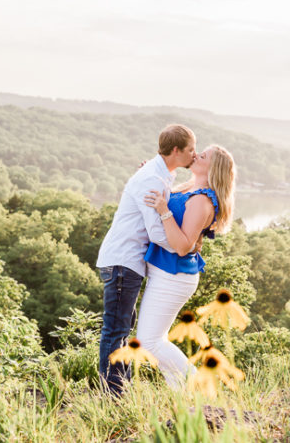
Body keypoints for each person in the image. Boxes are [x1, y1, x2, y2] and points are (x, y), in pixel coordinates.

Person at [96, 124, 196, 396]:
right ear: (176, 150)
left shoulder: (159, 175)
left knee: (123, 328)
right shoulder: (152, 178)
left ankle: (121, 390)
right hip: (123, 260)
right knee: (116, 330)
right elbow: (155, 232)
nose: (194, 155)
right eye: (190, 149)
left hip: (127, 262)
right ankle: (112, 394)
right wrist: (182, 247)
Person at [139, 144, 236, 389]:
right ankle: (182, 395)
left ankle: (195, 384)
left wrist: (163, 210)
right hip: (165, 272)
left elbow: (183, 245)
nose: (196, 155)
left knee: (149, 342)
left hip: (174, 276)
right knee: (154, 339)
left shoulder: (202, 200)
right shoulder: (188, 189)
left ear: (213, 168)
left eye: (203, 156)